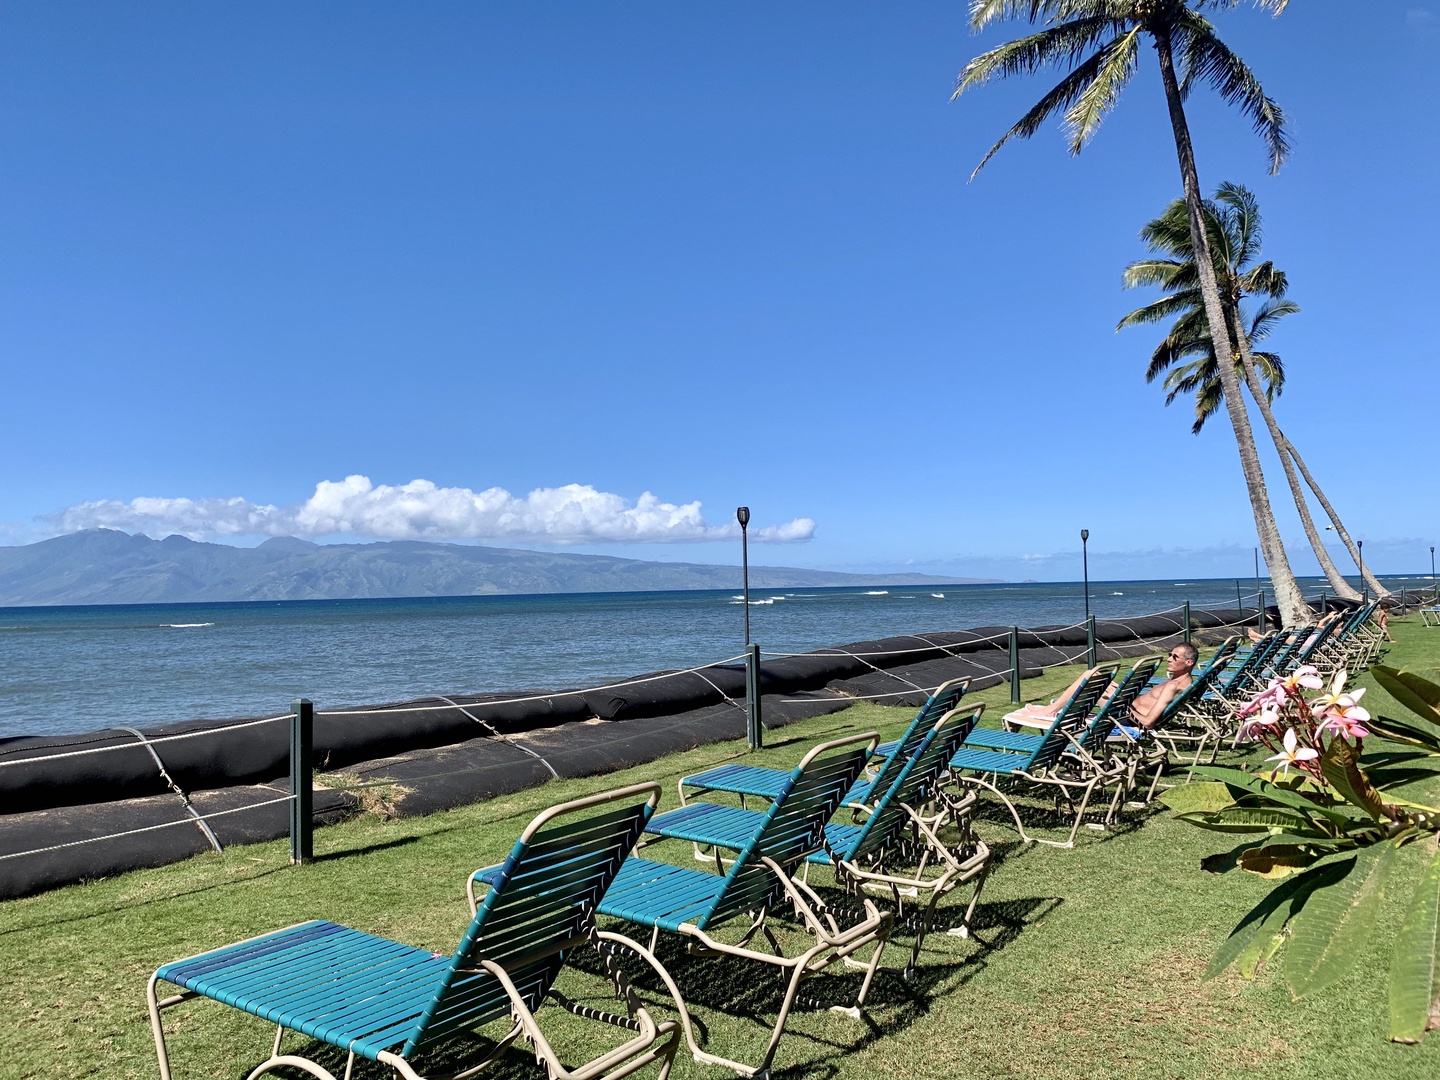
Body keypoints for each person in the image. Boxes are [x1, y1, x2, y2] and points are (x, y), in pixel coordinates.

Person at [1006, 643, 1198, 729]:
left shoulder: (1173, 686)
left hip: (1125, 719)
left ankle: (1053, 711)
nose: (1169, 659)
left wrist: (1122, 706)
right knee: (1093, 674)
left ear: (1188, 663)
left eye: (1175, 657)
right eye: (1170, 655)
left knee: (1092, 681)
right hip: (1126, 708)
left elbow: (1148, 723)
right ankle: (1052, 709)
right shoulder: (1184, 682)